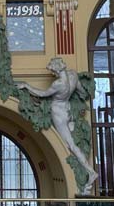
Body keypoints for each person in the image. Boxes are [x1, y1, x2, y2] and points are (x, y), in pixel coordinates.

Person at [17, 57, 98, 194]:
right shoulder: (73, 76)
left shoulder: (58, 84)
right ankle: (89, 171)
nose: (52, 73)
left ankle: (90, 171)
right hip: (68, 111)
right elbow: (82, 92)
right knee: (70, 143)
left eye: (52, 70)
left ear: (56, 68)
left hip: (58, 113)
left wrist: (27, 85)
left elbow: (42, 94)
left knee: (69, 145)